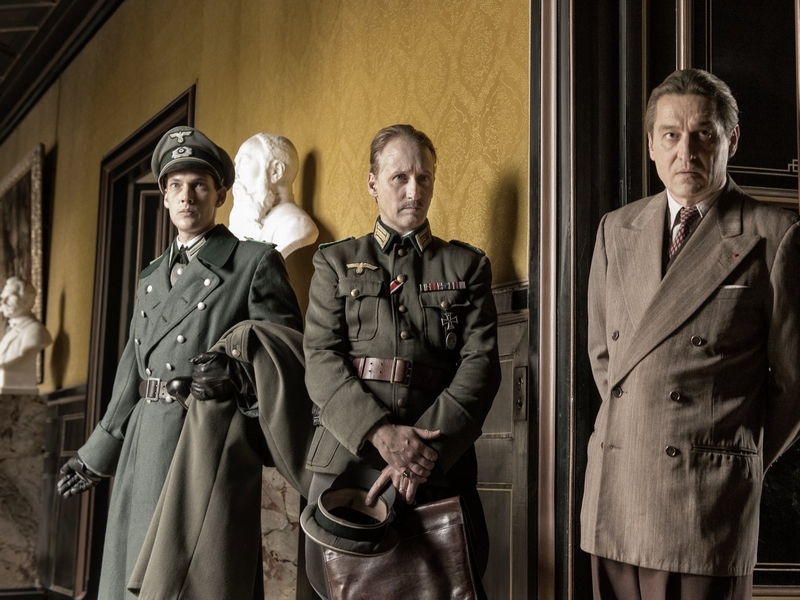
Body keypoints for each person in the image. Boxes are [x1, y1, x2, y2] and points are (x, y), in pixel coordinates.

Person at [56, 126, 303, 600]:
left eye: (199, 185)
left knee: (198, 581)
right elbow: (132, 369)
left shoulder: (253, 263)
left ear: (220, 195)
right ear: (165, 197)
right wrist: (95, 455)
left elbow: (284, 354)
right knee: (135, 576)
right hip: (145, 441)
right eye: (176, 186)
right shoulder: (150, 277)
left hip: (205, 442)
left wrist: (236, 380)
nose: (187, 196)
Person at [581, 68, 800, 600]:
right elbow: (605, 359)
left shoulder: (775, 234)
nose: (687, 152)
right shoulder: (616, 228)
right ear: (651, 145)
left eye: (704, 133)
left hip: (704, 503)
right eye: (671, 135)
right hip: (616, 490)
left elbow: (794, 386)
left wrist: (732, 459)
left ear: (731, 139)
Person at [302, 124, 501, 598]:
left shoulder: (466, 266)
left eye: (424, 178)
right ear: (373, 183)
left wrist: (419, 457)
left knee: (446, 584)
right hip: (348, 457)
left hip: (438, 461)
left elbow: (481, 366)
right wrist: (381, 434)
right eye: (400, 178)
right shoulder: (335, 262)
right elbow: (320, 359)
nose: (415, 191)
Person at [229, 133, 319, 257]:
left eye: (244, 163)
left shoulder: (295, 224)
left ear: (276, 171)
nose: (235, 174)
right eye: (236, 165)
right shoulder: (243, 220)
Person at [0, 276, 51, 393]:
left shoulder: (36, 331)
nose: (3, 303)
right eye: (2, 298)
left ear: (27, 300)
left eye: (10, 297)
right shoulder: (10, 331)